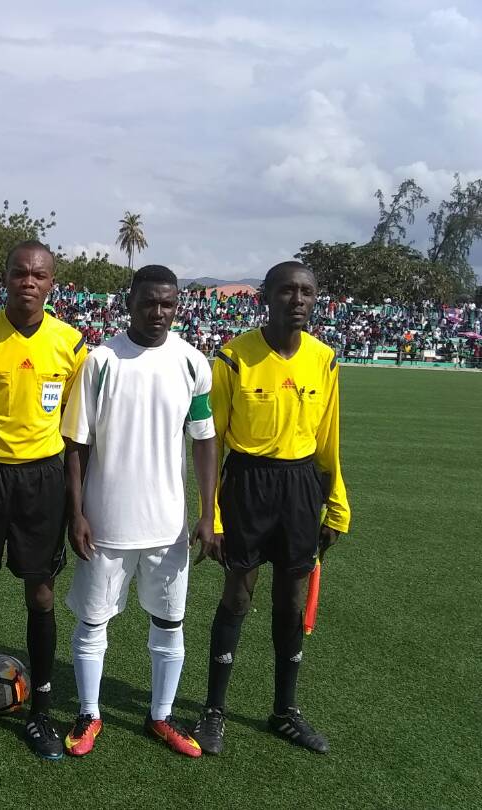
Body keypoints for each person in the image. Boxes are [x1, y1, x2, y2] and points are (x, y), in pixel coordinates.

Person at [190, 261, 350, 756]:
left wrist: (336, 502)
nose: (297, 300)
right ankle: (214, 711)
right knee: (238, 595)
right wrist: (209, 513)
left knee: (292, 600)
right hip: (248, 482)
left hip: (302, 486)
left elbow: (328, 441)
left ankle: (285, 711)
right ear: (266, 296)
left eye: (306, 292)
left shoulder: (324, 359)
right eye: (287, 291)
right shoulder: (234, 357)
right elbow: (210, 440)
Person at [60, 265, 217, 758]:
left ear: (177, 306)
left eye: (167, 303)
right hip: (106, 523)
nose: (158, 312)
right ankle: (89, 713)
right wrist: (77, 513)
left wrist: (208, 514)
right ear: (129, 302)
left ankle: (162, 716)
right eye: (149, 302)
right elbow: (76, 446)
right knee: (93, 622)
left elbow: (205, 441)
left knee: (170, 623)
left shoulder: (193, 363)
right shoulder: (102, 360)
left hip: (167, 527)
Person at [0, 240, 87, 759]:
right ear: (4, 277)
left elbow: (74, 427)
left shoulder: (71, 346)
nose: (29, 281)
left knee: (41, 596)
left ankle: (43, 714)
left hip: (42, 482)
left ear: (52, 282)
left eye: (39, 274)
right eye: (20, 273)